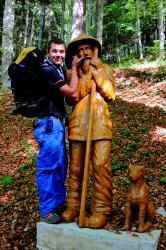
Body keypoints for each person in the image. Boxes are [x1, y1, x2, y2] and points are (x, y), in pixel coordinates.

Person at [62, 33, 115, 228]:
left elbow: (110, 93)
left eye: (88, 50)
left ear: (95, 51)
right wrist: (86, 77)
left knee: (101, 166)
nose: (84, 54)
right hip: (78, 124)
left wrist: (98, 72)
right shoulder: (71, 74)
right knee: (75, 168)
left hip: (100, 122)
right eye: (80, 50)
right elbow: (72, 98)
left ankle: (101, 208)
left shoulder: (106, 68)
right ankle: (74, 205)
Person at [33, 37, 83, 224]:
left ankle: (57, 205)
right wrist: (76, 69)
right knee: (48, 167)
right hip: (48, 124)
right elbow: (72, 93)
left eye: (61, 52)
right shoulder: (46, 70)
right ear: (48, 52)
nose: (58, 55)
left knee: (60, 166)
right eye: (55, 51)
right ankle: (46, 210)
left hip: (57, 125)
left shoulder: (58, 70)